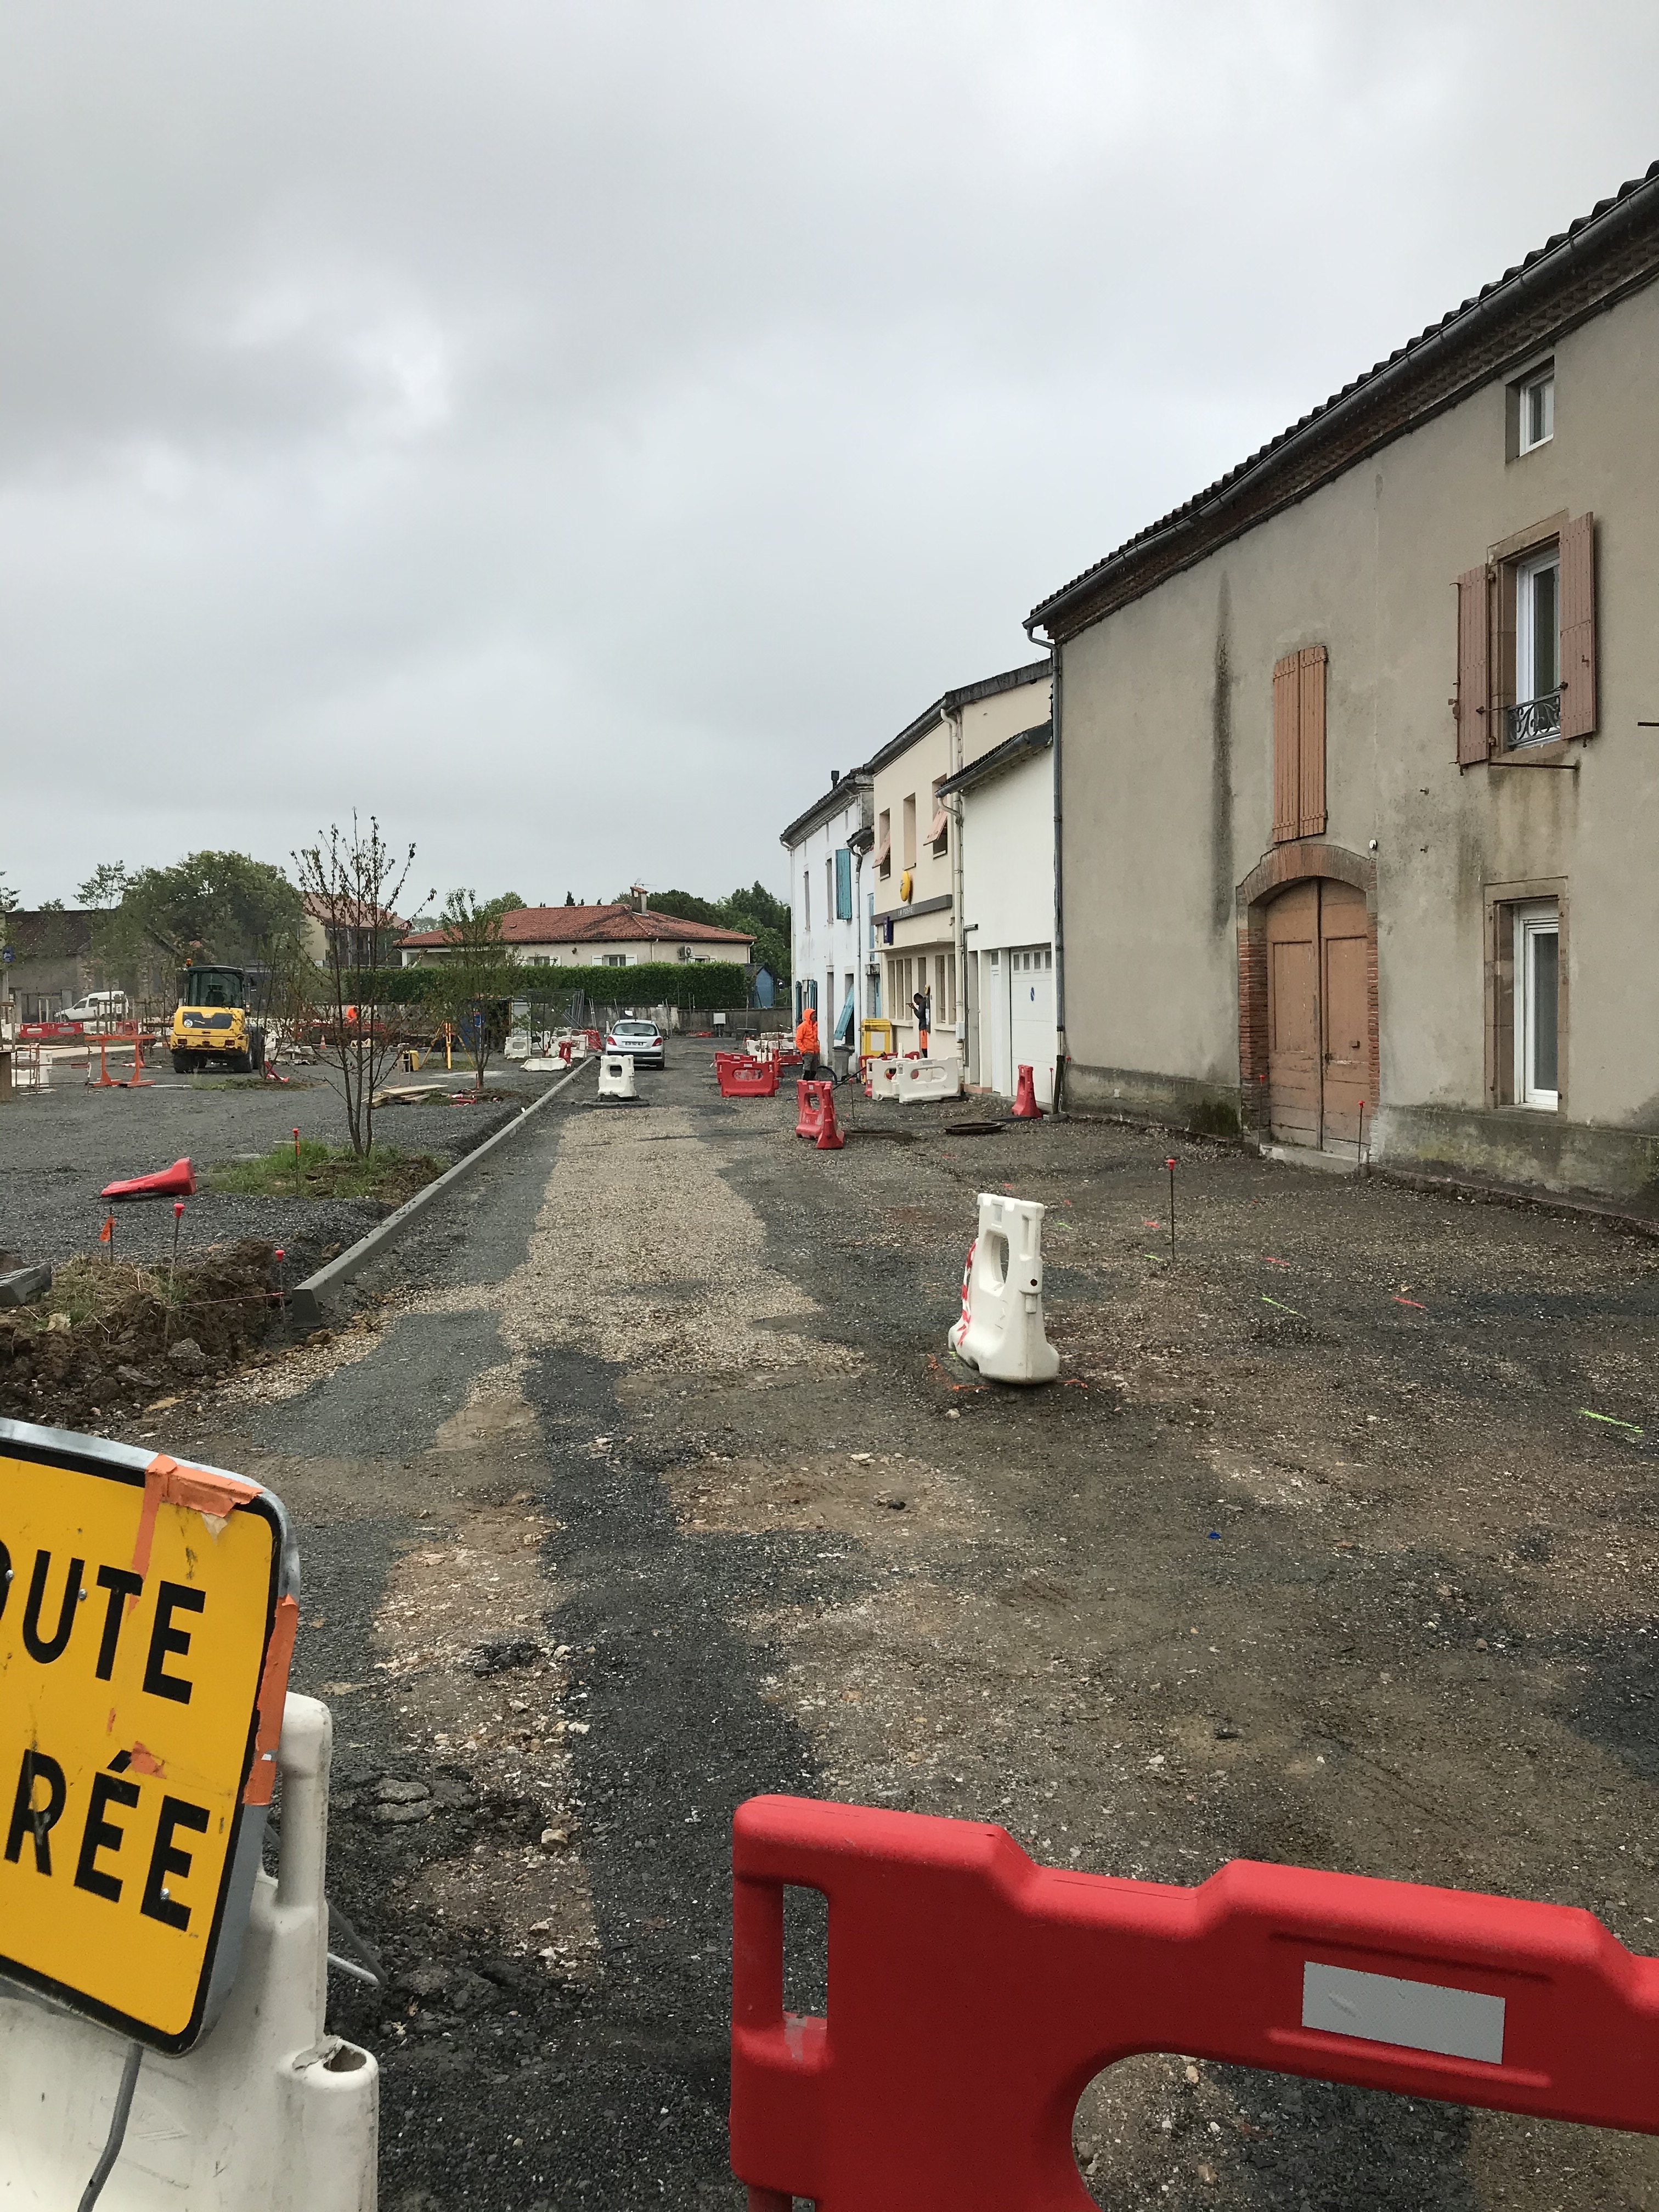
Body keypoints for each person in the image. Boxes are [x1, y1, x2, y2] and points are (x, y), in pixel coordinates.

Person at [795, 1002, 821, 1079]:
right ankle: (804, 1086)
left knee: (814, 1071)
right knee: (807, 1070)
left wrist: (817, 1050)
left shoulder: (815, 1026)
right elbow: (798, 1040)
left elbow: (815, 1039)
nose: (815, 1016)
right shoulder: (803, 1027)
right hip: (808, 1053)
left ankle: (811, 1086)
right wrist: (804, 1051)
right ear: (808, 1016)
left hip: (815, 1052)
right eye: (813, 1015)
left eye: (815, 1014)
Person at [911, 985, 932, 1059]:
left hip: (923, 1027)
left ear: (917, 1000)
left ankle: (926, 1058)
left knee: (924, 1047)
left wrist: (914, 1009)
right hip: (925, 1026)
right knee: (924, 1046)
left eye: (916, 1002)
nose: (916, 1004)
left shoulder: (922, 1003)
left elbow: (920, 1015)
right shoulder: (925, 1001)